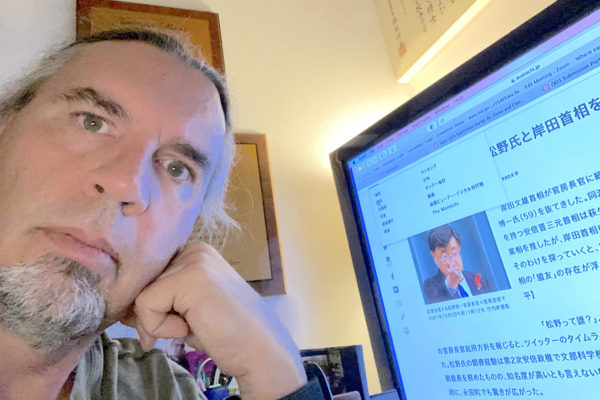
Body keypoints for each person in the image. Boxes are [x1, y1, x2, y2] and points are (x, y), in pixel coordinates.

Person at [0, 29, 325, 399]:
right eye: (91, 121)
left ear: (185, 239)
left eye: (176, 168)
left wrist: (274, 370)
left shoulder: (166, 390)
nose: (127, 184)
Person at [423, 224, 492, 304]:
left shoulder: (479, 279)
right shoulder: (431, 286)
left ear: (460, 249)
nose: (452, 261)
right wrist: (451, 284)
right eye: (444, 256)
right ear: (434, 257)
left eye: (454, 253)